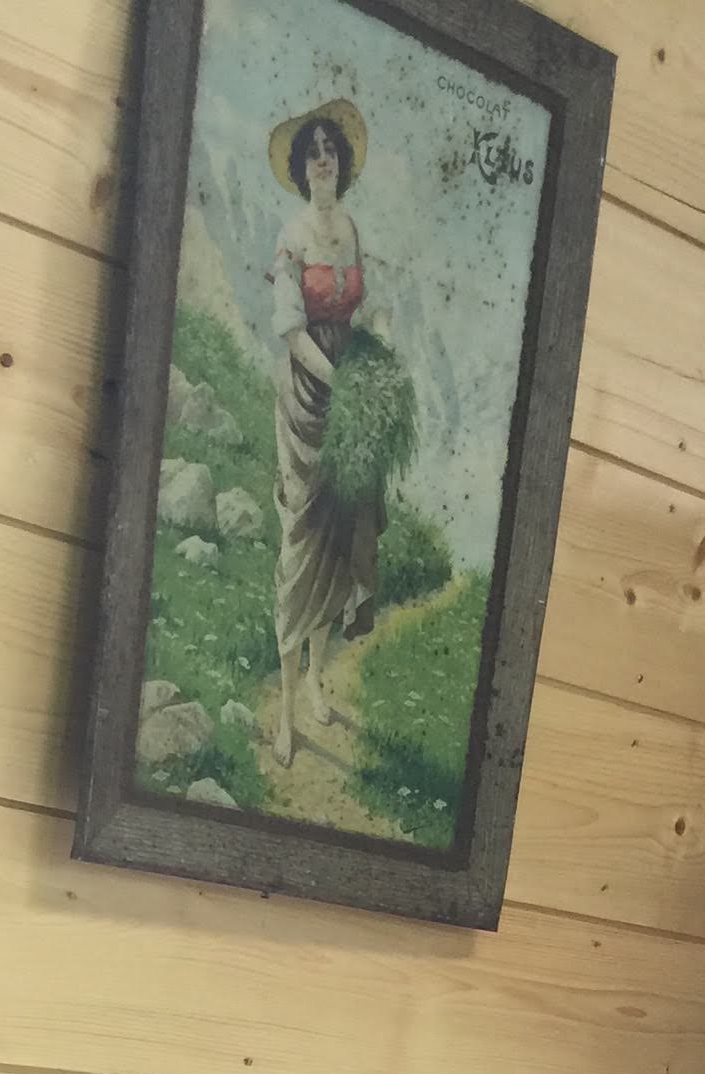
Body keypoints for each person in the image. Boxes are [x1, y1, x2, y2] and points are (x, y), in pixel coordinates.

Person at [268, 100, 378, 769]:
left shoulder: (352, 229)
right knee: (300, 547)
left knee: (336, 542)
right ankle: (285, 714)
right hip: (308, 395)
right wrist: (341, 383)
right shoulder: (292, 234)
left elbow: (361, 310)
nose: (322, 161)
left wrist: (373, 355)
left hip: (349, 388)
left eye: (329, 149)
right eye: (311, 153)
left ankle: (315, 681)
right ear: (299, 168)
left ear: (342, 161)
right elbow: (290, 330)